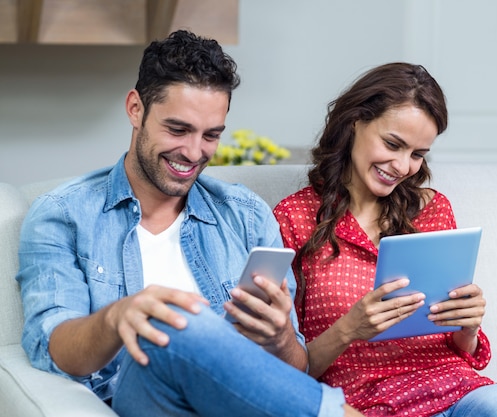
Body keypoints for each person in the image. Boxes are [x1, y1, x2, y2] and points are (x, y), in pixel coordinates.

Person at [16, 30, 363, 417]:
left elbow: (291, 373)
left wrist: (280, 337)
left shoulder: (245, 216)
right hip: (143, 401)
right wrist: (119, 316)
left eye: (211, 135)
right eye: (177, 130)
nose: (194, 153)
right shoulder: (63, 215)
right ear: (135, 109)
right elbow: (53, 347)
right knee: (171, 324)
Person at [273, 63, 497, 417]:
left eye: (417, 155)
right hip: (361, 403)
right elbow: (286, 371)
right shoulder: (295, 218)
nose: (403, 167)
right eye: (393, 144)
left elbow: (459, 343)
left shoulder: (432, 210)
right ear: (355, 122)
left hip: (453, 391)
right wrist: (348, 330)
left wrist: (469, 324)